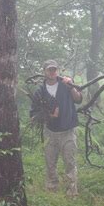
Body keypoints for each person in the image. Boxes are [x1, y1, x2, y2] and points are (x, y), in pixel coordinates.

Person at [30, 59, 82, 197]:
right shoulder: (40, 92)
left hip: (68, 131)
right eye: (49, 69)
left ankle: (72, 192)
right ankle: (52, 190)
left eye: (54, 69)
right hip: (50, 133)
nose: (52, 72)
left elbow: (78, 99)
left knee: (70, 162)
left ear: (57, 71)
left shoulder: (66, 86)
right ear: (44, 72)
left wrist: (71, 86)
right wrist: (49, 116)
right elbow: (33, 116)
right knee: (50, 163)